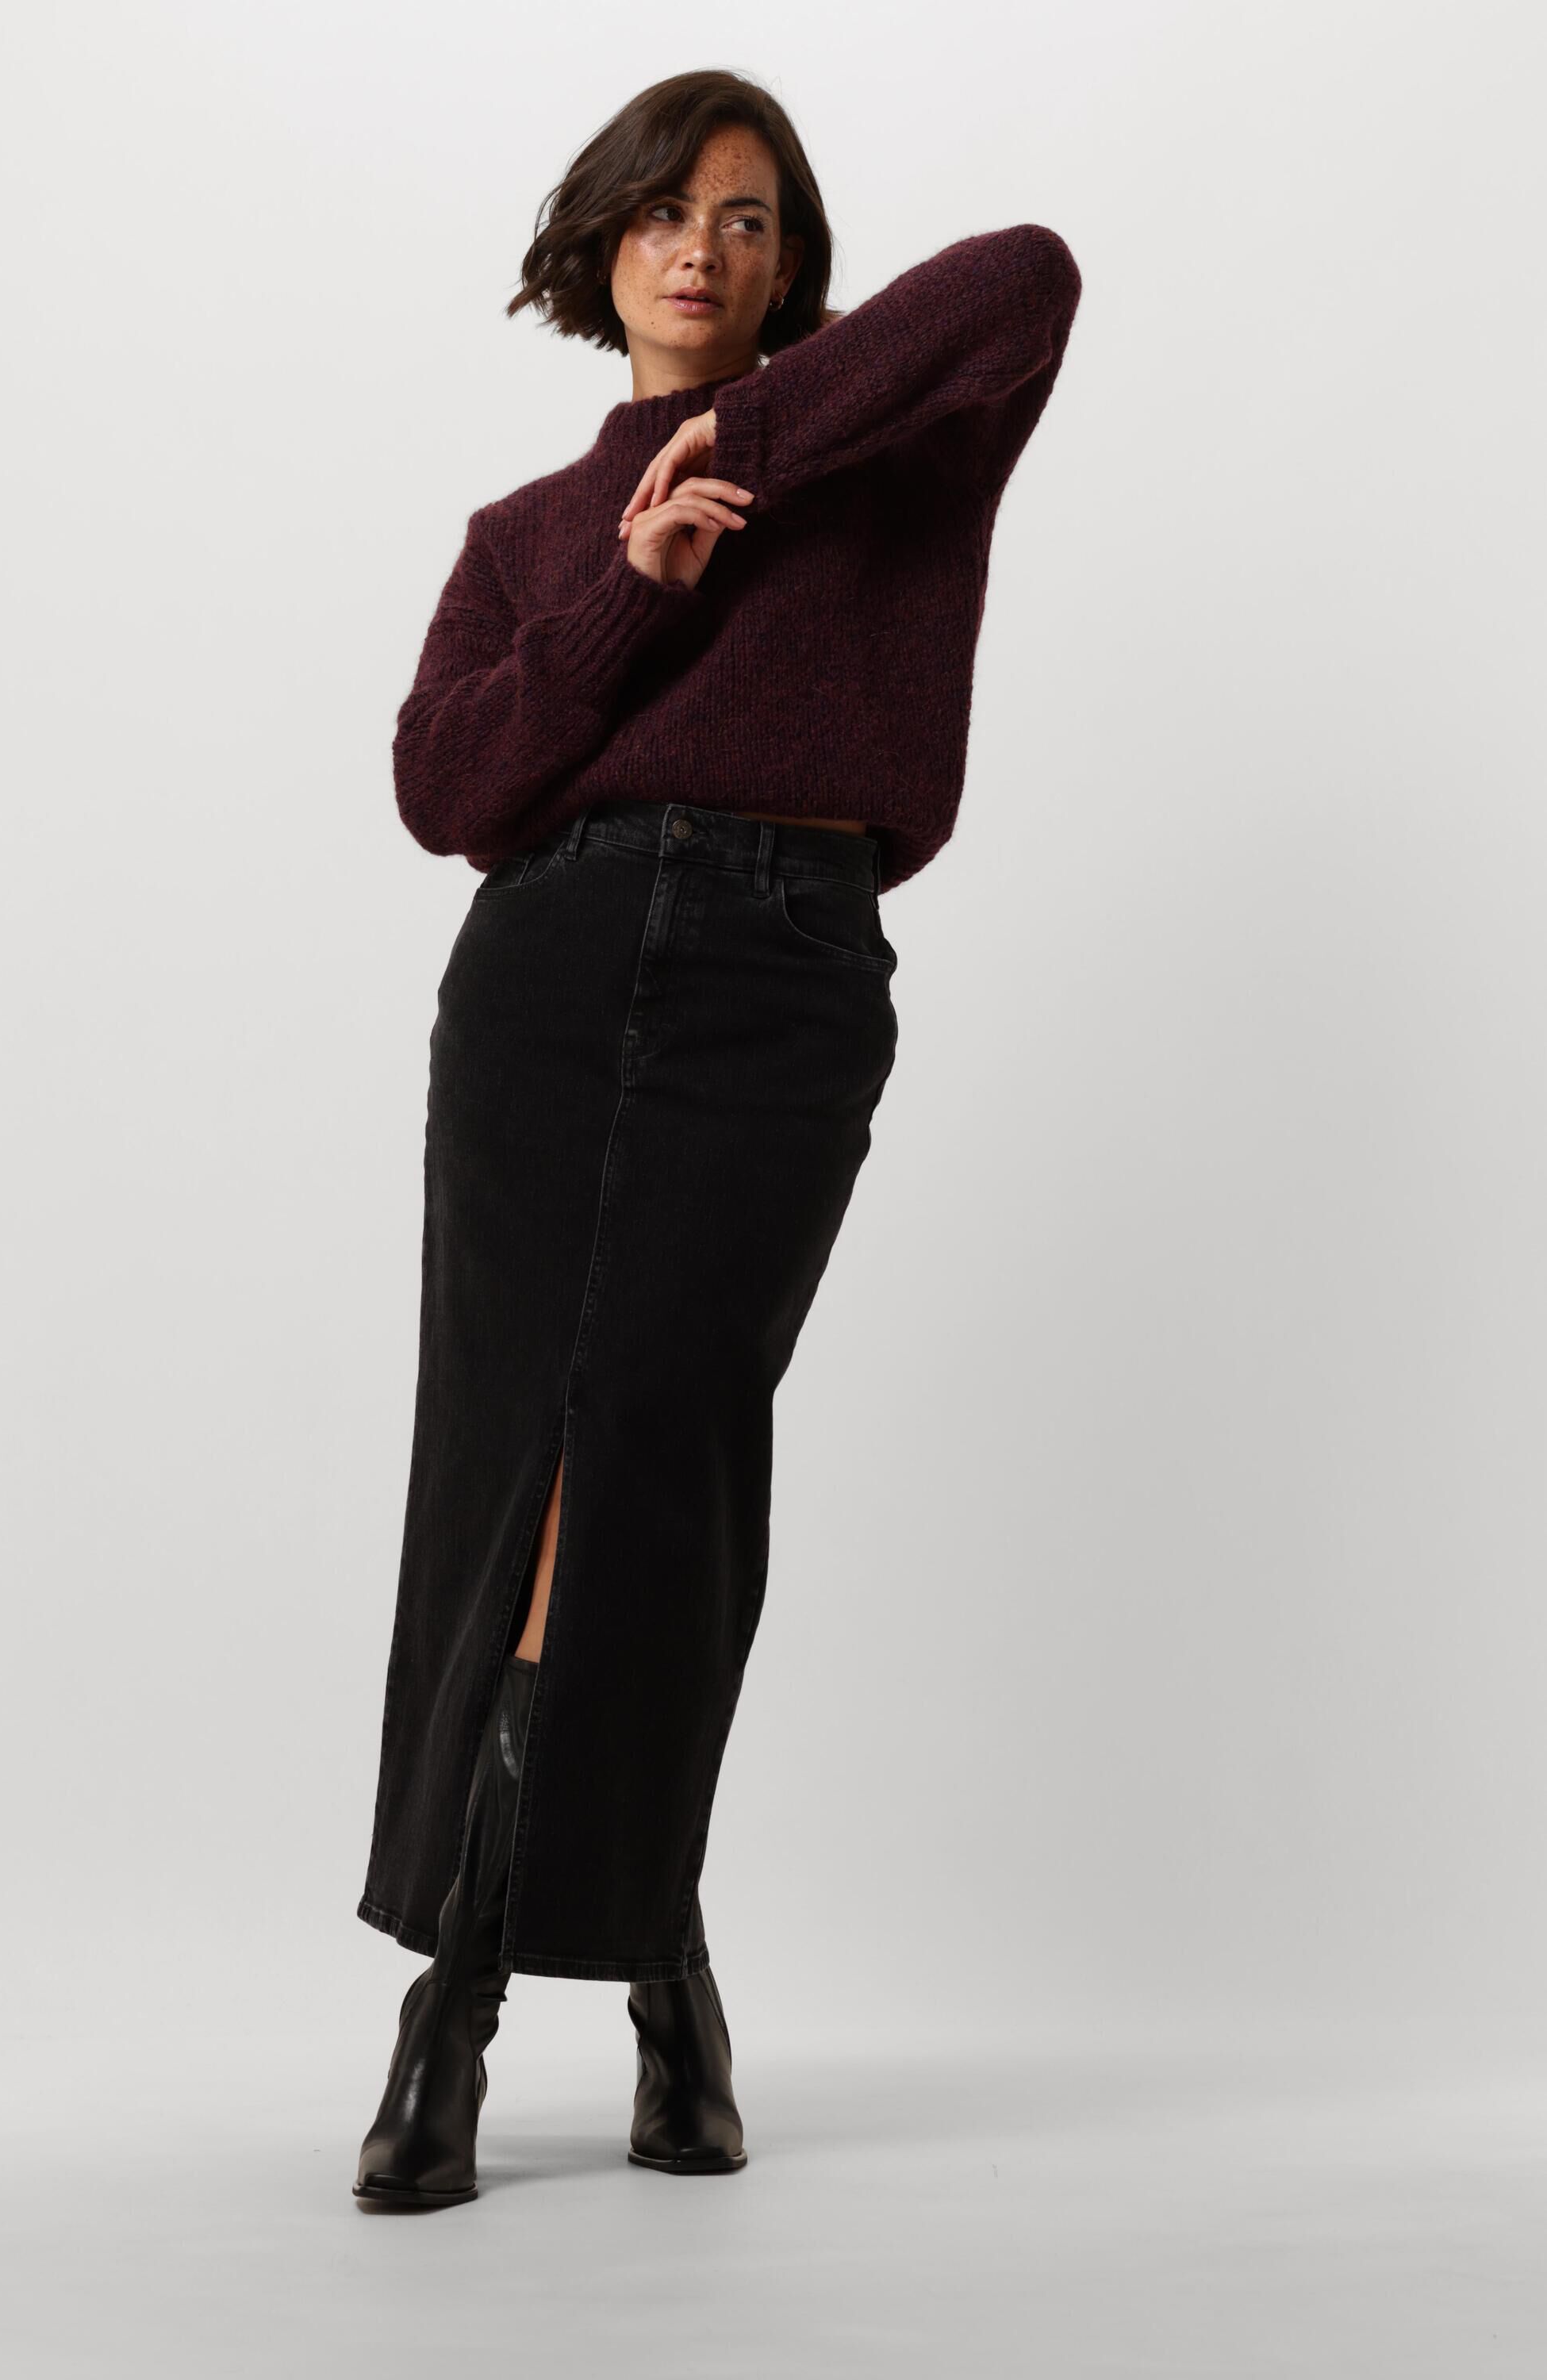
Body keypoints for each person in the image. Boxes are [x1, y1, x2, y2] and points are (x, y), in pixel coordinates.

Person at [353, 66, 1082, 2208]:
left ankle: (644, 1951)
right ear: (600, 251)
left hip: (783, 969)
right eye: (665, 213)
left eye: (747, 219)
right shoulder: (521, 536)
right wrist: (631, 580)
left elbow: (1027, 278)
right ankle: (474, 1994)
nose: (701, 248)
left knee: (666, 1452)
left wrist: (736, 443)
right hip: (553, 968)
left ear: (789, 267)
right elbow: (447, 790)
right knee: (525, 1452)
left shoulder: (894, 456)